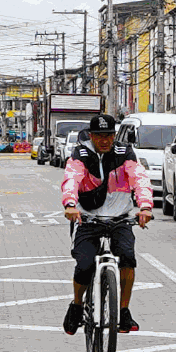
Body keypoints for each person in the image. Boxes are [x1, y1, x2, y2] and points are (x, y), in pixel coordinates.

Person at [60, 113, 152, 335]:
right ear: (91, 136)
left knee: (128, 258)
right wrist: (70, 204)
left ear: (114, 136)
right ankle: (77, 305)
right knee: (84, 265)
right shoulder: (80, 154)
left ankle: (124, 311)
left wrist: (146, 206)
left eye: (109, 136)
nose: (104, 141)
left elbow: (139, 178)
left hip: (120, 218)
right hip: (88, 218)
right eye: (99, 136)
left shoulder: (125, 153)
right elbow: (71, 178)